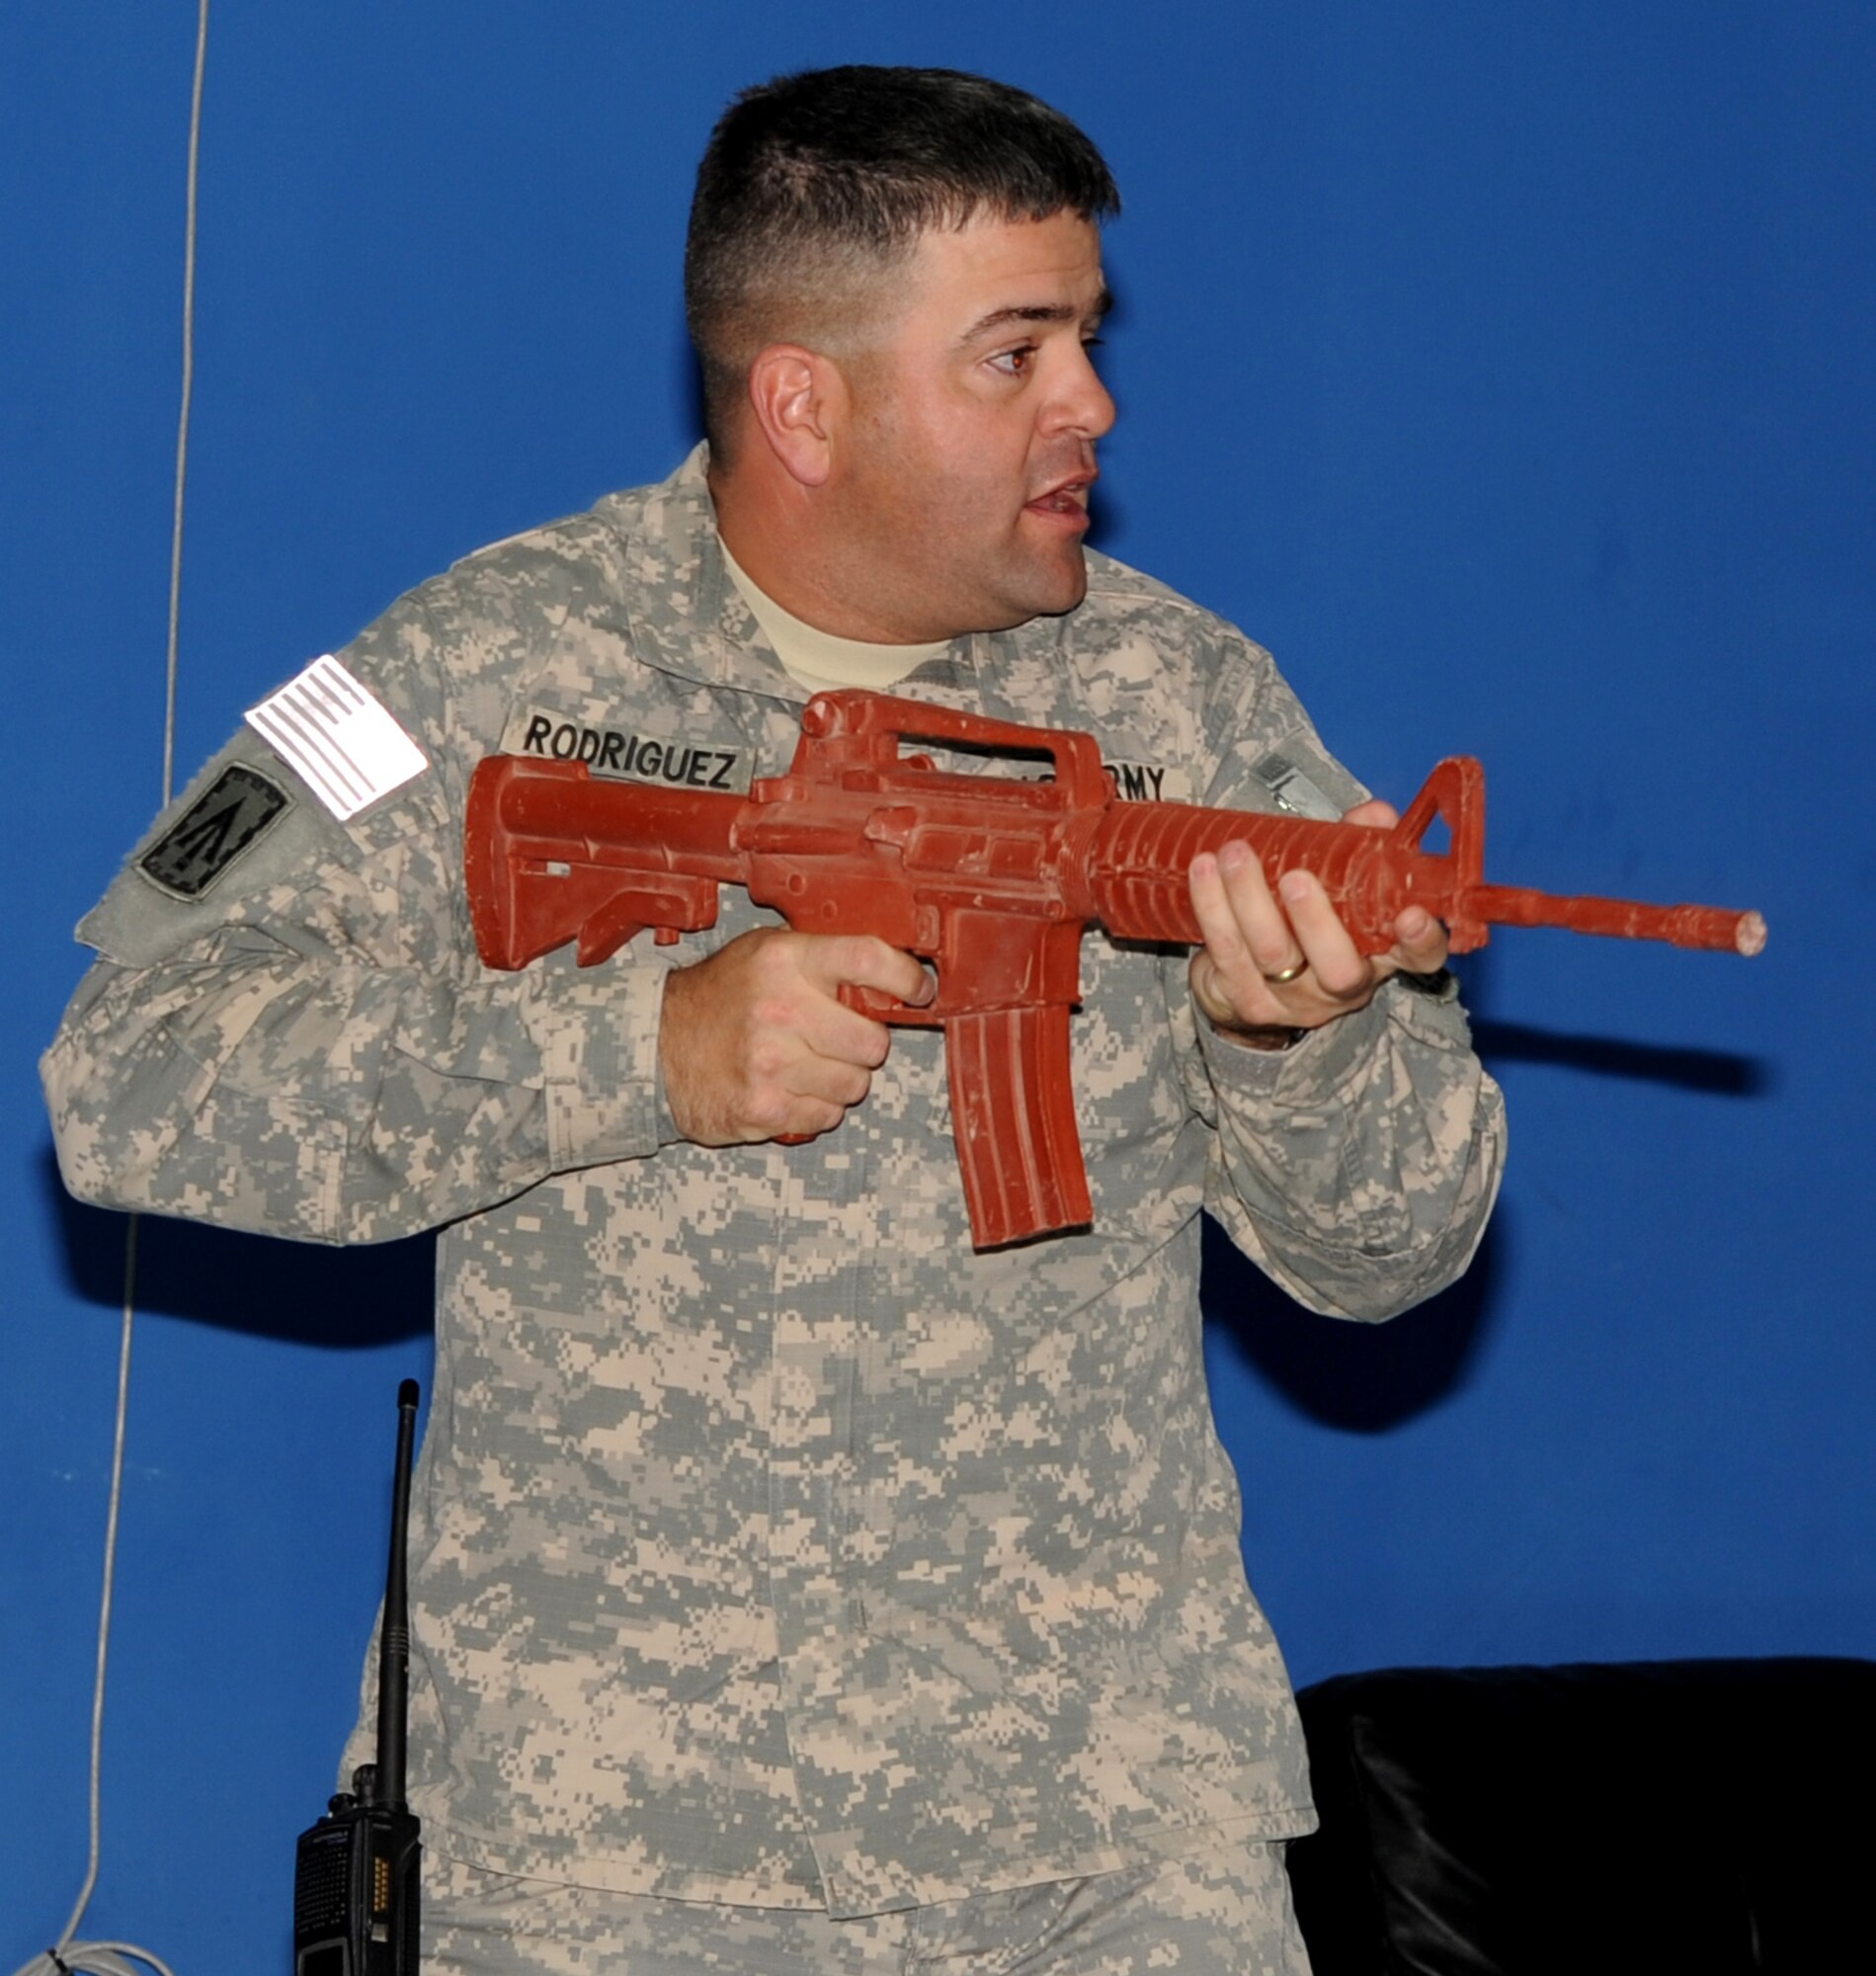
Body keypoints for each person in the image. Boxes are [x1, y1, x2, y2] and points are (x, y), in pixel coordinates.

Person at [44, 65, 1505, 1976]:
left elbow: (1398, 1253)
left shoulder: (1188, 705)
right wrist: (641, 1053)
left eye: (1089, 337)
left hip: (1106, 1848)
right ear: (803, 403)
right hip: (602, 1863)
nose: (1092, 404)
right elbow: (127, 1073)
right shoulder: (475, 672)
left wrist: (1297, 1044)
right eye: (1016, 353)